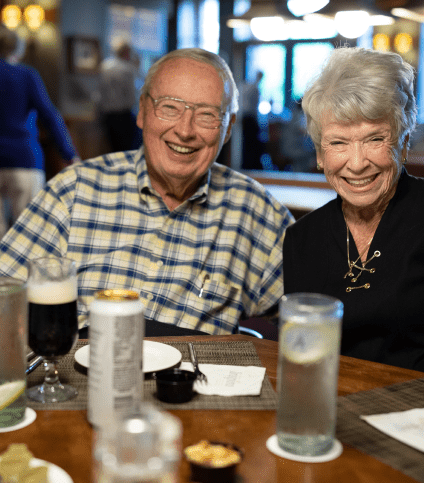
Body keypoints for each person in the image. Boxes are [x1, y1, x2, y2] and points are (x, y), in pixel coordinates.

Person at [0, 48, 294, 334]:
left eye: (207, 115)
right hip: (78, 378)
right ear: (141, 112)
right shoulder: (73, 190)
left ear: (227, 129)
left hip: (193, 380)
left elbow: (309, 315)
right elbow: (4, 292)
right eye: (169, 108)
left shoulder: (256, 212)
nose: (185, 130)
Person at [283, 47, 424, 380]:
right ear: (320, 154)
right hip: (336, 408)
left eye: (375, 139)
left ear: (404, 140)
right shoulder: (302, 237)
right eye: (339, 143)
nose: (357, 164)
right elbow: (305, 356)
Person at [0, 25, 80, 237]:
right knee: (27, 234)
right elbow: (49, 115)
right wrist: (69, 154)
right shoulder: (26, 75)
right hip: (23, 158)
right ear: (18, 49)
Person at [97, 38, 140, 153]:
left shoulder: (105, 66)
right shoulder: (127, 69)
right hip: (123, 116)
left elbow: (100, 92)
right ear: (126, 52)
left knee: (113, 150)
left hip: (107, 115)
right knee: (127, 150)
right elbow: (131, 96)